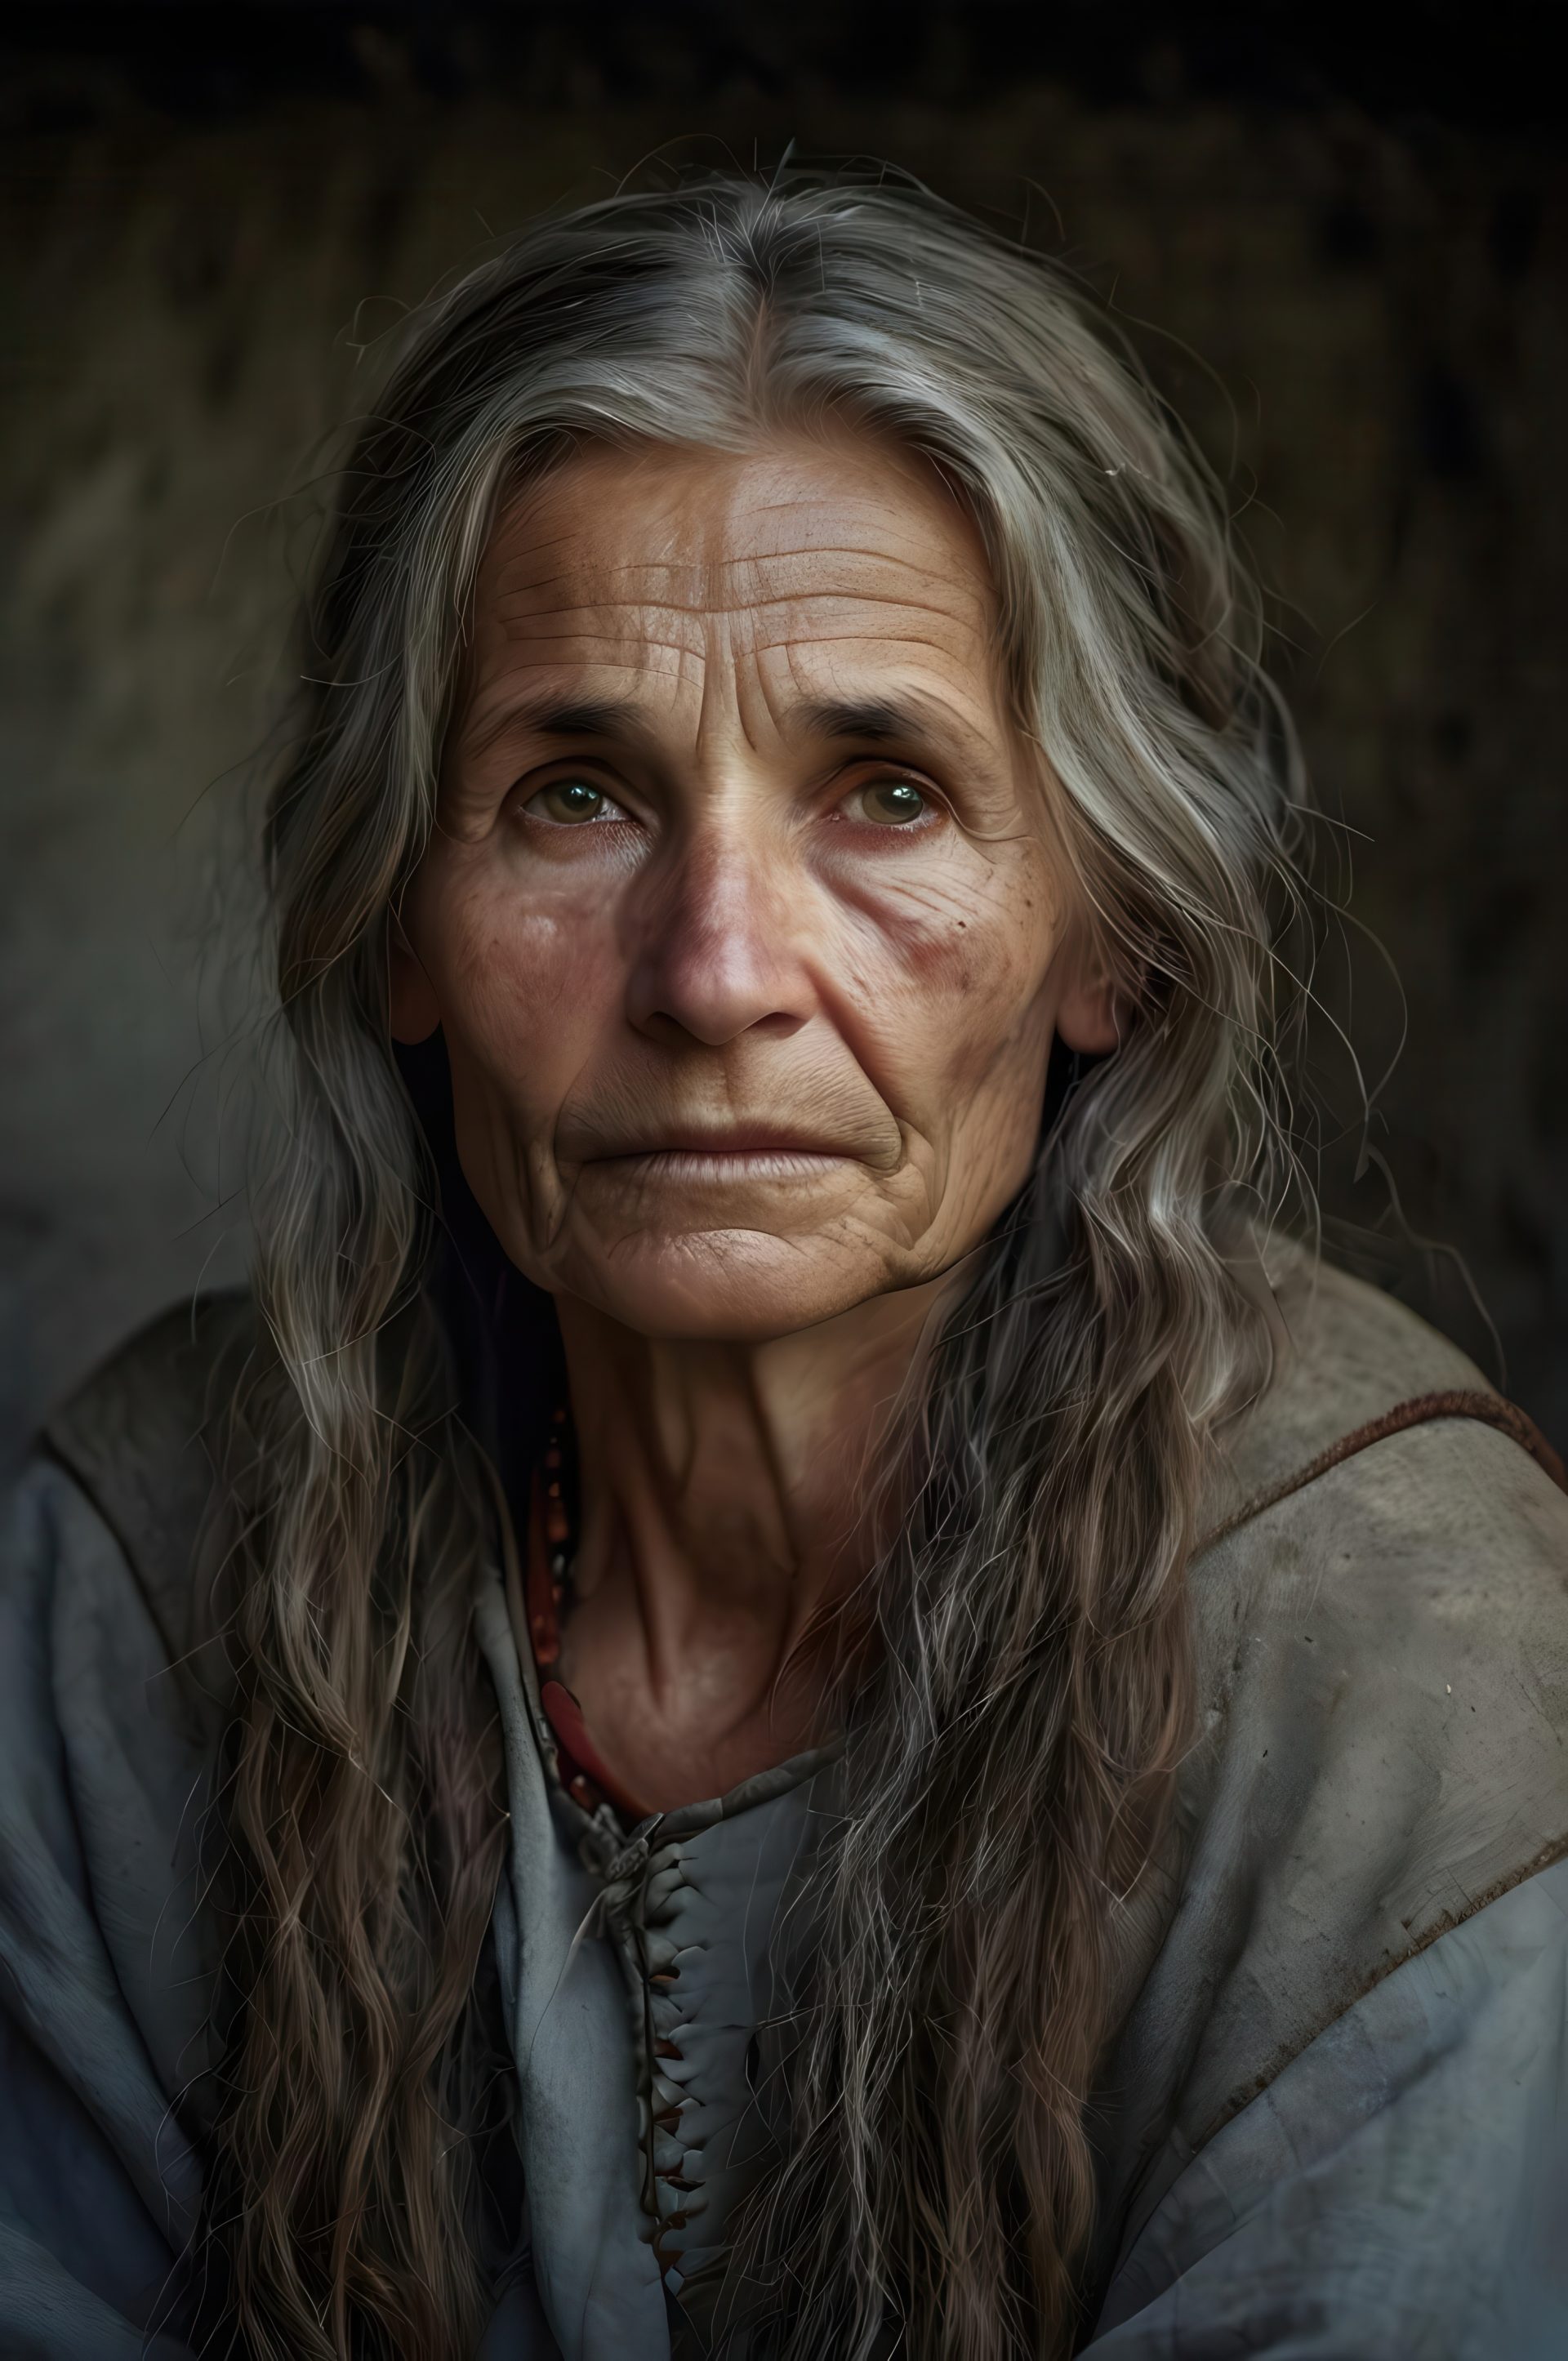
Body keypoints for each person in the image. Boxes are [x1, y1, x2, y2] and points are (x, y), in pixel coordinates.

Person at [2, 169, 1565, 2361]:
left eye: (891, 792)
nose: (718, 969)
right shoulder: (146, 1576)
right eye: (574, 794)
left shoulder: (1407, 1651)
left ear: (1108, 930)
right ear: (393, 930)